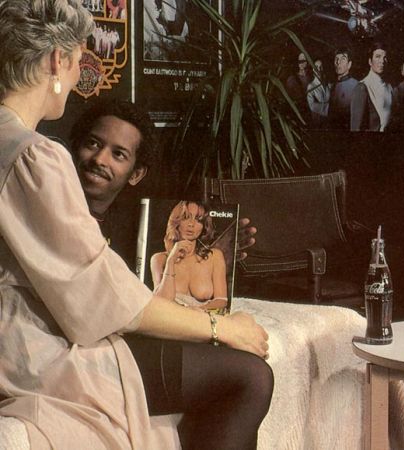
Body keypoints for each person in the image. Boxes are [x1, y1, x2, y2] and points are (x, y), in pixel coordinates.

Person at [0, 2, 272, 449]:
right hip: (30, 354)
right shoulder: (34, 154)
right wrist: (222, 328)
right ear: (56, 60)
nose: (76, 78)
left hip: (23, 344)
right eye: (77, 63)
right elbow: (99, 293)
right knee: (250, 376)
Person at [70, 98, 258, 268]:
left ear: (136, 174)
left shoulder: (132, 232)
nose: (100, 159)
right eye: (93, 144)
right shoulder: (55, 210)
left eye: (118, 154)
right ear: (75, 147)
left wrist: (209, 261)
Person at [151, 200, 228, 312]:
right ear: (176, 222)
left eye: (198, 220)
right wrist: (170, 261)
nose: (191, 224)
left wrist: (194, 311)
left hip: (201, 318)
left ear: (204, 226)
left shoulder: (215, 256)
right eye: (186, 218)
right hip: (170, 318)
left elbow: (221, 301)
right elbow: (161, 302)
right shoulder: (159, 259)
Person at [350, 42, 394, 132]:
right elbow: (355, 129)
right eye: (378, 56)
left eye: (385, 57)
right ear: (370, 61)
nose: (382, 61)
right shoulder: (362, 87)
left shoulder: (389, 87)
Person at [328, 48, 358, 129]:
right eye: (336, 59)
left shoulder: (356, 86)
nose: (338, 62)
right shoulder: (332, 86)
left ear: (349, 64)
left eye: (343, 59)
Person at [306, 58, 330, 128]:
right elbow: (312, 105)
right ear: (313, 69)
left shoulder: (327, 85)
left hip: (329, 121)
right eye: (316, 67)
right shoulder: (311, 86)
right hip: (318, 122)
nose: (319, 69)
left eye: (321, 67)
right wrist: (329, 108)